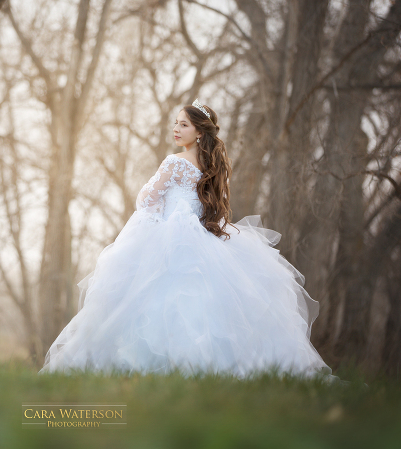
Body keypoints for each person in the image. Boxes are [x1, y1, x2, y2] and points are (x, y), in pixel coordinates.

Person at [38, 100, 342, 383]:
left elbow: (147, 199)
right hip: (203, 236)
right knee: (202, 303)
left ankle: (149, 367)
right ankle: (209, 369)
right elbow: (213, 206)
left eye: (183, 124)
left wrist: (154, 210)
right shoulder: (215, 167)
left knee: (154, 298)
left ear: (199, 132)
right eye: (176, 123)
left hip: (173, 236)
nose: (176, 129)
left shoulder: (174, 162)